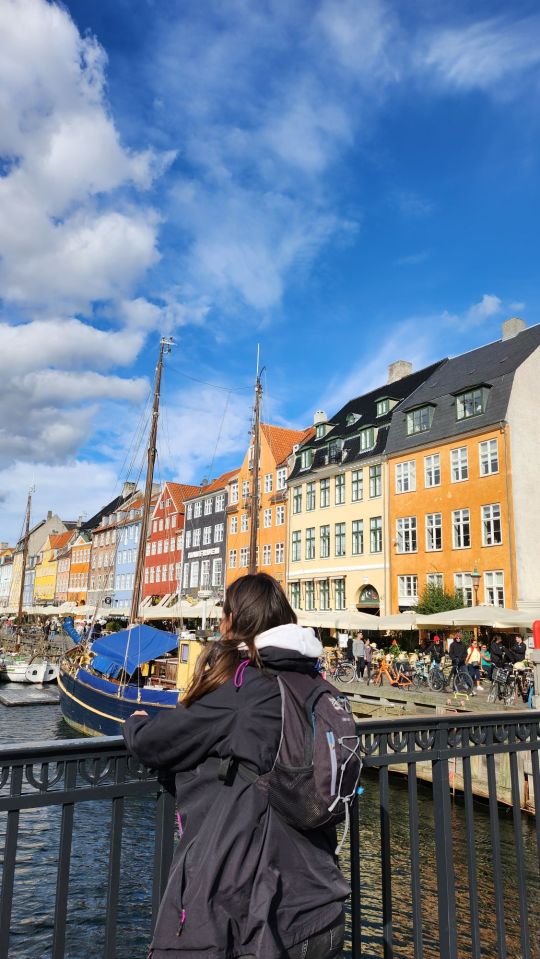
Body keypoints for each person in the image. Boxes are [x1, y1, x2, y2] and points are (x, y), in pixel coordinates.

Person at [123, 573, 348, 959]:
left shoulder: (245, 689)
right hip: (320, 902)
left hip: (260, 915)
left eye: (224, 613)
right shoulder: (312, 682)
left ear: (233, 620)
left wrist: (135, 723)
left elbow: (158, 742)